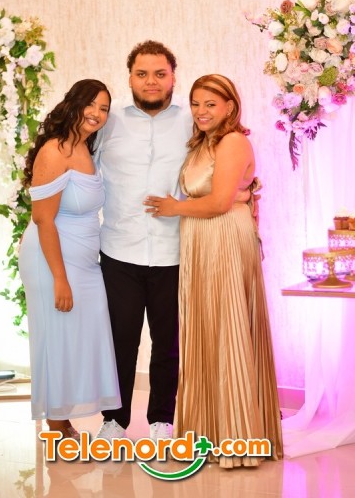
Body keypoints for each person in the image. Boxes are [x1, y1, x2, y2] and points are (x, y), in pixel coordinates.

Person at [144, 74, 283, 467]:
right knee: (206, 329)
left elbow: (221, 201)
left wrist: (175, 207)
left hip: (224, 237)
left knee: (228, 327)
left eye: (210, 104)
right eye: (196, 104)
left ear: (230, 107)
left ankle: (237, 435)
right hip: (200, 241)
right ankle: (209, 431)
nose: (201, 112)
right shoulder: (202, 142)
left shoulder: (233, 141)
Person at [95, 40, 193, 441]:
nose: (151, 81)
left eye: (159, 73)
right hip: (120, 250)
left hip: (174, 250)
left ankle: (161, 420)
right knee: (119, 341)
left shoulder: (192, 119)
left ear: (173, 77)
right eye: (142, 74)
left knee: (168, 343)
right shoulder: (108, 120)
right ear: (130, 77)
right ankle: (114, 420)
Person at [18, 79, 121, 438]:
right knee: (57, 336)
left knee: (78, 337)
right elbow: (43, 219)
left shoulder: (86, 148)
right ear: (73, 104)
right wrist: (60, 278)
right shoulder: (55, 150)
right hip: (52, 260)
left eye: (104, 108)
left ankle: (64, 418)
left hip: (84, 262)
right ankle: (57, 423)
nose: (97, 113)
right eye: (90, 104)